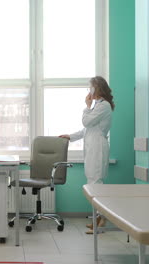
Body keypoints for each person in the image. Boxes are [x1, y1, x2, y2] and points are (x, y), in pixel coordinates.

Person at [59, 76, 115, 233]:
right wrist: (70, 136)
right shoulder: (98, 106)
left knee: (96, 183)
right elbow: (87, 130)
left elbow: (86, 122)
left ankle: (100, 219)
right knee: (92, 182)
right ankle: (98, 217)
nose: (88, 90)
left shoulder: (103, 106)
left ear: (97, 88)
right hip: (92, 147)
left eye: (90, 87)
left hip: (97, 148)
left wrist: (87, 106)